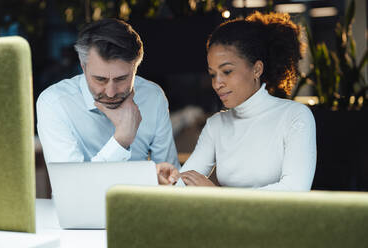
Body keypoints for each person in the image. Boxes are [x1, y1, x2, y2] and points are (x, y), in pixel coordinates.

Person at [157, 12, 316, 191]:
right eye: (212, 74)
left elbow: (295, 189)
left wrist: (217, 194)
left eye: (227, 71)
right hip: (223, 218)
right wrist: (165, 179)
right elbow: (184, 183)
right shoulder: (216, 124)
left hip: (277, 219)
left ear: (257, 69)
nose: (217, 83)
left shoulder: (295, 116)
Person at [37, 18, 180, 169]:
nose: (111, 93)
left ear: (135, 69)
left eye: (121, 79)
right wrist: (121, 140)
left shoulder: (153, 97)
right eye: (100, 79)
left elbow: (170, 176)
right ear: (83, 67)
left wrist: (167, 180)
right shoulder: (54, 103)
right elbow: (71, 186)